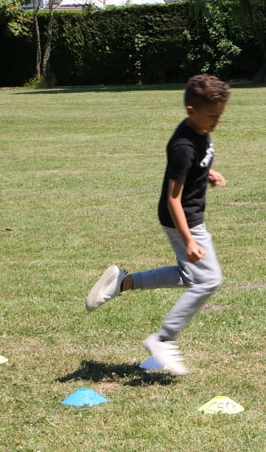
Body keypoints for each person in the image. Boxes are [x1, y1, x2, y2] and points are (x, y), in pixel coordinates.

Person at [85, 74, 231, 375]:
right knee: (208, 280)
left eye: (220, 115)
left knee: (189, 276)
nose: (217, 121)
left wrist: (207, 173)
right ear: (191, 110)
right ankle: (164, 338)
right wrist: (188, 240)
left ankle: (123, 282)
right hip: (184, 219)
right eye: (212, 115)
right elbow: (173, 199)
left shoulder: (200, 130)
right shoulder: (183, 146)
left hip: (190, 216)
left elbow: (194, 165)